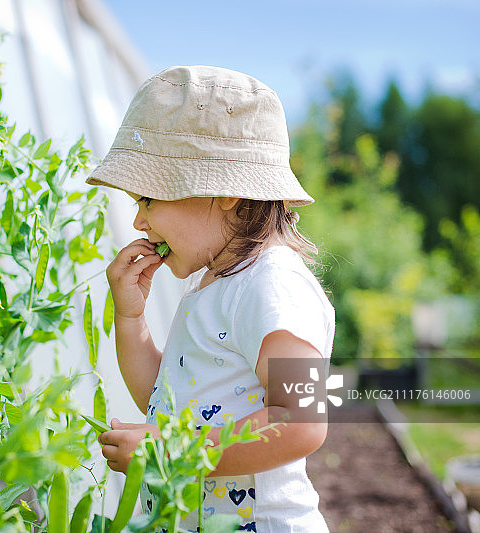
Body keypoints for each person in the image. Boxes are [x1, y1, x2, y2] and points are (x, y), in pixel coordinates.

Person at [88, 66, 335, 532]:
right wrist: (130, 317)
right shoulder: (213, 285)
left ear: (222, 191)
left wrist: (171, 452)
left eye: (147, 200)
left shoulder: (272, 284)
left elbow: (302, 421)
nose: (139, 223)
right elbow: (161, 401)